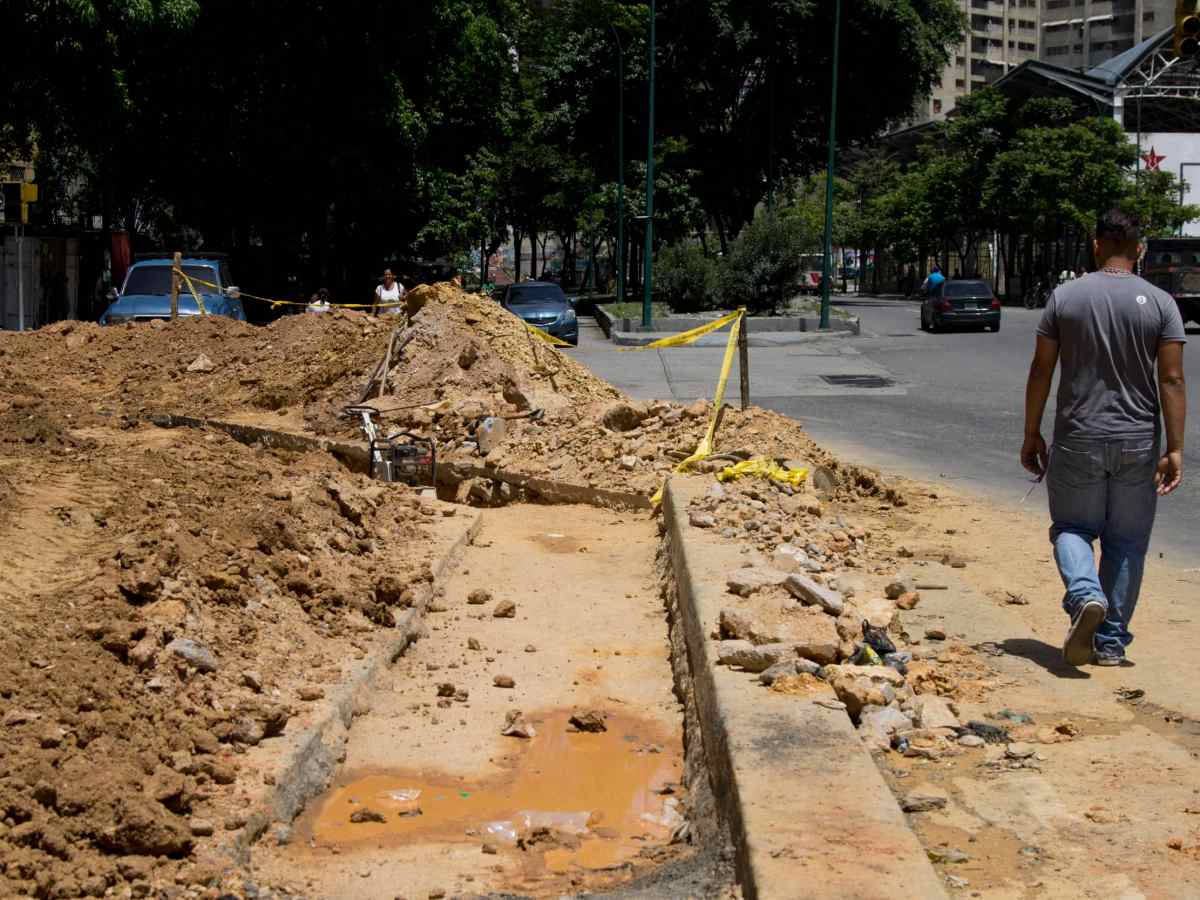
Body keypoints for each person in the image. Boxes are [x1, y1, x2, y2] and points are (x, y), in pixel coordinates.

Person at [1021, 207, 1186, 667]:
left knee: (1072, 528)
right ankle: (1110, 643)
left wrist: (1032, 432)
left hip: (1078, 437)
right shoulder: (1161, 304)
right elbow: (1171, 379)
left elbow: (1041, 369)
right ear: (1139, 249)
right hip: (1137, 441)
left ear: (1096, 246)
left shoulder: (1065, 297)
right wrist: (1175, 448)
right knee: (1126, 541)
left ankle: (1084, 595)